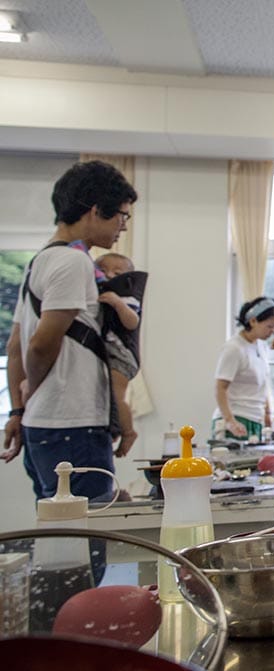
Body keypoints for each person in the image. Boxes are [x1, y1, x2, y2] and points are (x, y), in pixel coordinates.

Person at [3, 160, 136, 500]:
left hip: (45, 424)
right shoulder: (74, 262)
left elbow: (15, 344)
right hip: (72, 425)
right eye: (122, 215)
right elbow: (39, 345)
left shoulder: (42, 260)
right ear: (95, 210)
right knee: (84, 540)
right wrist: (31, 388)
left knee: (57, 533)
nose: (123, 226)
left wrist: (19, 409)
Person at [213, 296, 274, 441]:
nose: (273, 332)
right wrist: (230, 421)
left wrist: (267, 414)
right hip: (237, 418)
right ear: (253, 321)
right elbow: (220, 387)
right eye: (269, 326)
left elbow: (264, 384)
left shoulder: (260, 346)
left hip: (255, 419)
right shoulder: (234, 348)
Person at [94, 252, 144, 458]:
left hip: (122, 354)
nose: (109, 275)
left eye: (117, 272)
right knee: (107, 395)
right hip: (109, 354)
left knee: (116, 393)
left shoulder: (126, 297)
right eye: (103, 271)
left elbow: (132, 321)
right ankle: (115, 427)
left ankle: (128, 431)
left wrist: (117, 303)